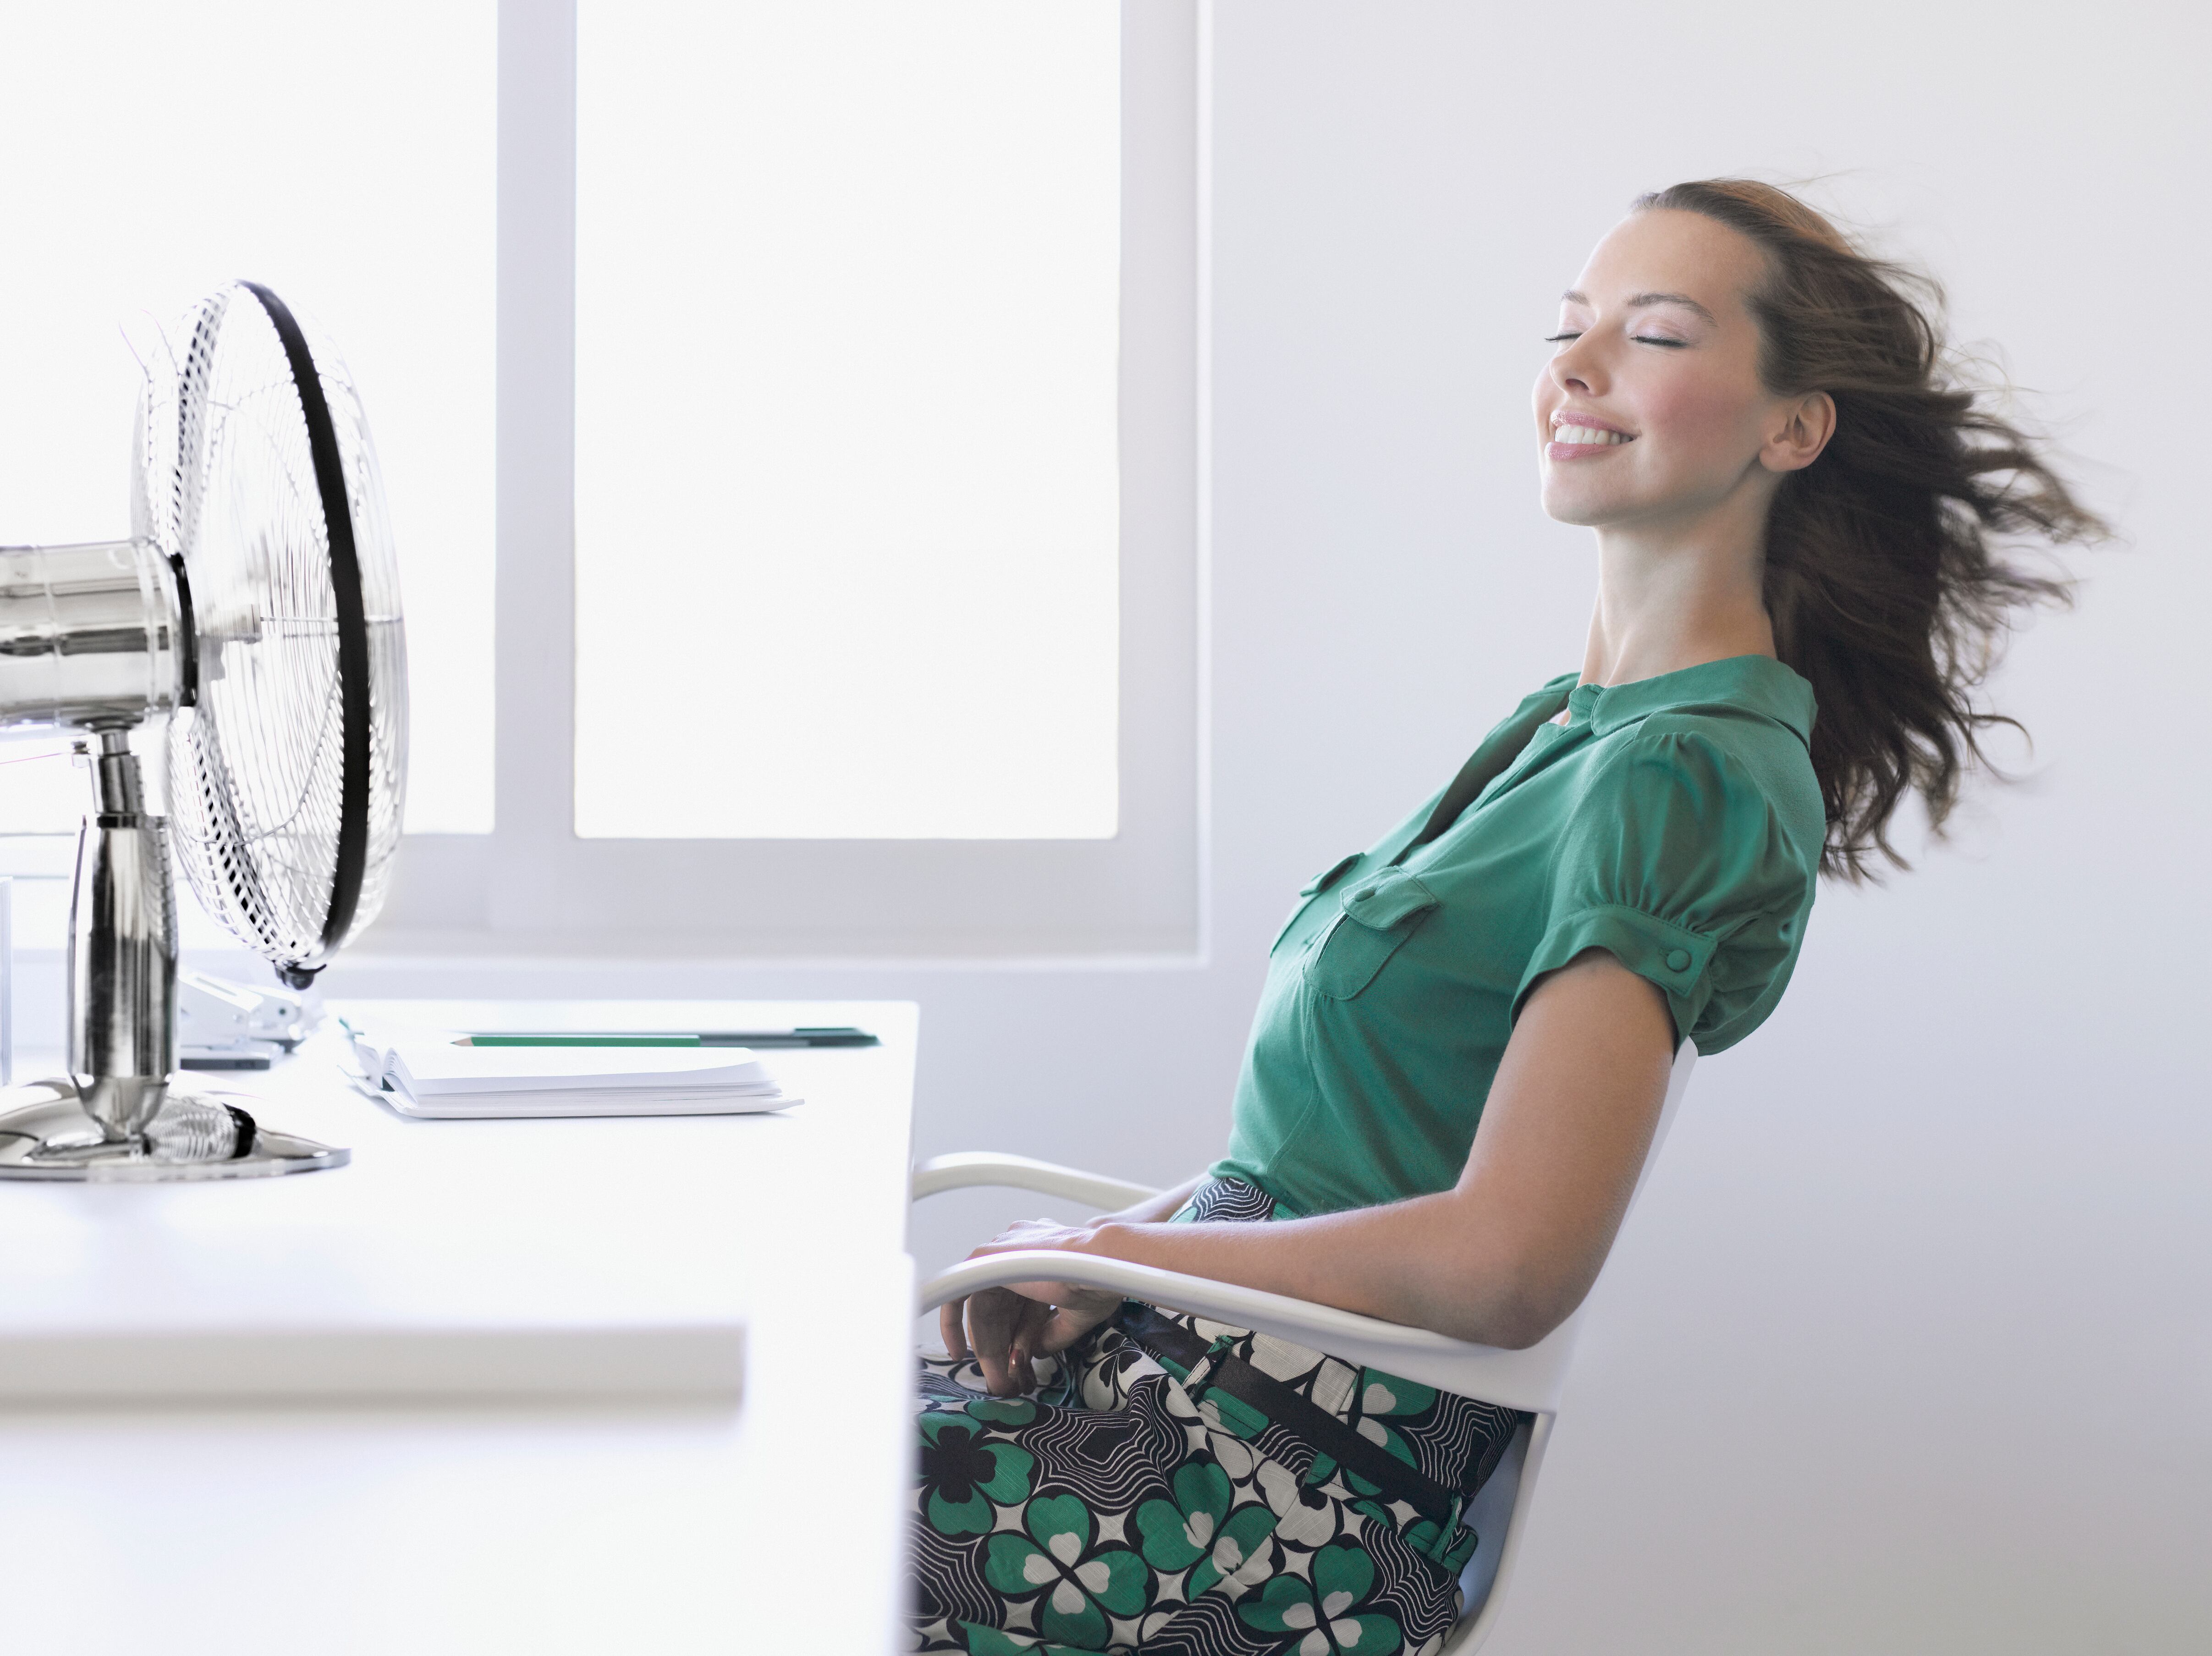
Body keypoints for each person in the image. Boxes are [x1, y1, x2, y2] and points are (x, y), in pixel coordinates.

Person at [911, 179, 2103, 1656]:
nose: (1576, 368)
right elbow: (1319, 1163)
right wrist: (1111, 1255)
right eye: (1565, 328)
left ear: (1791, 429)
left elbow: (1508, 1260)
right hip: (1186, 1392)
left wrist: (1123, 1258)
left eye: (1651, 335)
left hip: (1263, 1494)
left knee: (739, 1517)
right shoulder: (1578, 731)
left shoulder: (1678, 772)